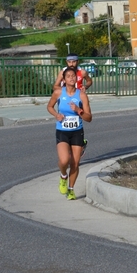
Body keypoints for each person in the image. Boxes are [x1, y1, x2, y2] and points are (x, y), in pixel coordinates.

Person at [47, 67, 92, 200]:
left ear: (77, 78)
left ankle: (71, 190)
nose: (72, 78)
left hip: (77, 132)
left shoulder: (82, 95)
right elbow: (49, 106)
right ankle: (63, 176)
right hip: (62, 131)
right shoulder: (58, 92)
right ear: (64, 79)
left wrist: (79, 110)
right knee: (64, 160)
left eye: (73, 76)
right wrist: (56, 115)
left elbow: (89, 118)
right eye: (68, 76)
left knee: (75, 163)